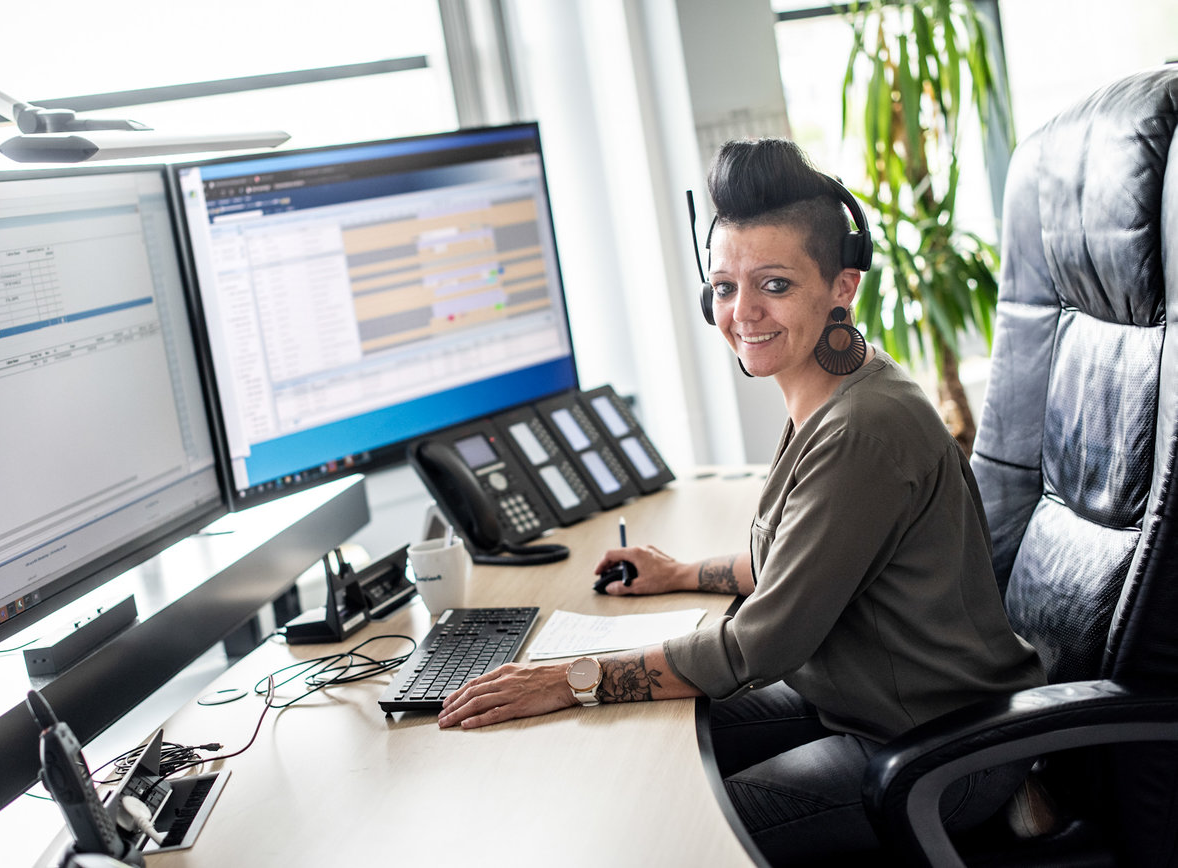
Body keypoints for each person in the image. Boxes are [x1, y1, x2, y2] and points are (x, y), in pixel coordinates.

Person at [437, 138, 1046, 864]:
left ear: (842, 286)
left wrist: (573, 679)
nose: (742, 312)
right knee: (637, 747)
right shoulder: (836, 385)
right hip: (864, 706)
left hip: (936, 749)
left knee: (664, 834)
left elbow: (762, 642)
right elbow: (794, 565)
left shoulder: (861, 429)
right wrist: (681, 574)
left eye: (775, 285)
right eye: (725, 287)